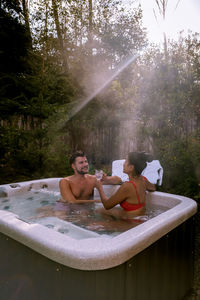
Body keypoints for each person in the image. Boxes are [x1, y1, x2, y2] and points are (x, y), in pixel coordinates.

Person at [95, 152, 156, 218]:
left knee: (96, 214)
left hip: (131, 222)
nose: (123, 164)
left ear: (131, 167)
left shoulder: (127, 186)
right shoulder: (143, 180)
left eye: (126, 161)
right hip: (139, 216)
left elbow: (107, 205)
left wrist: (100, 188)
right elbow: (153, 188)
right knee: (101, 211)